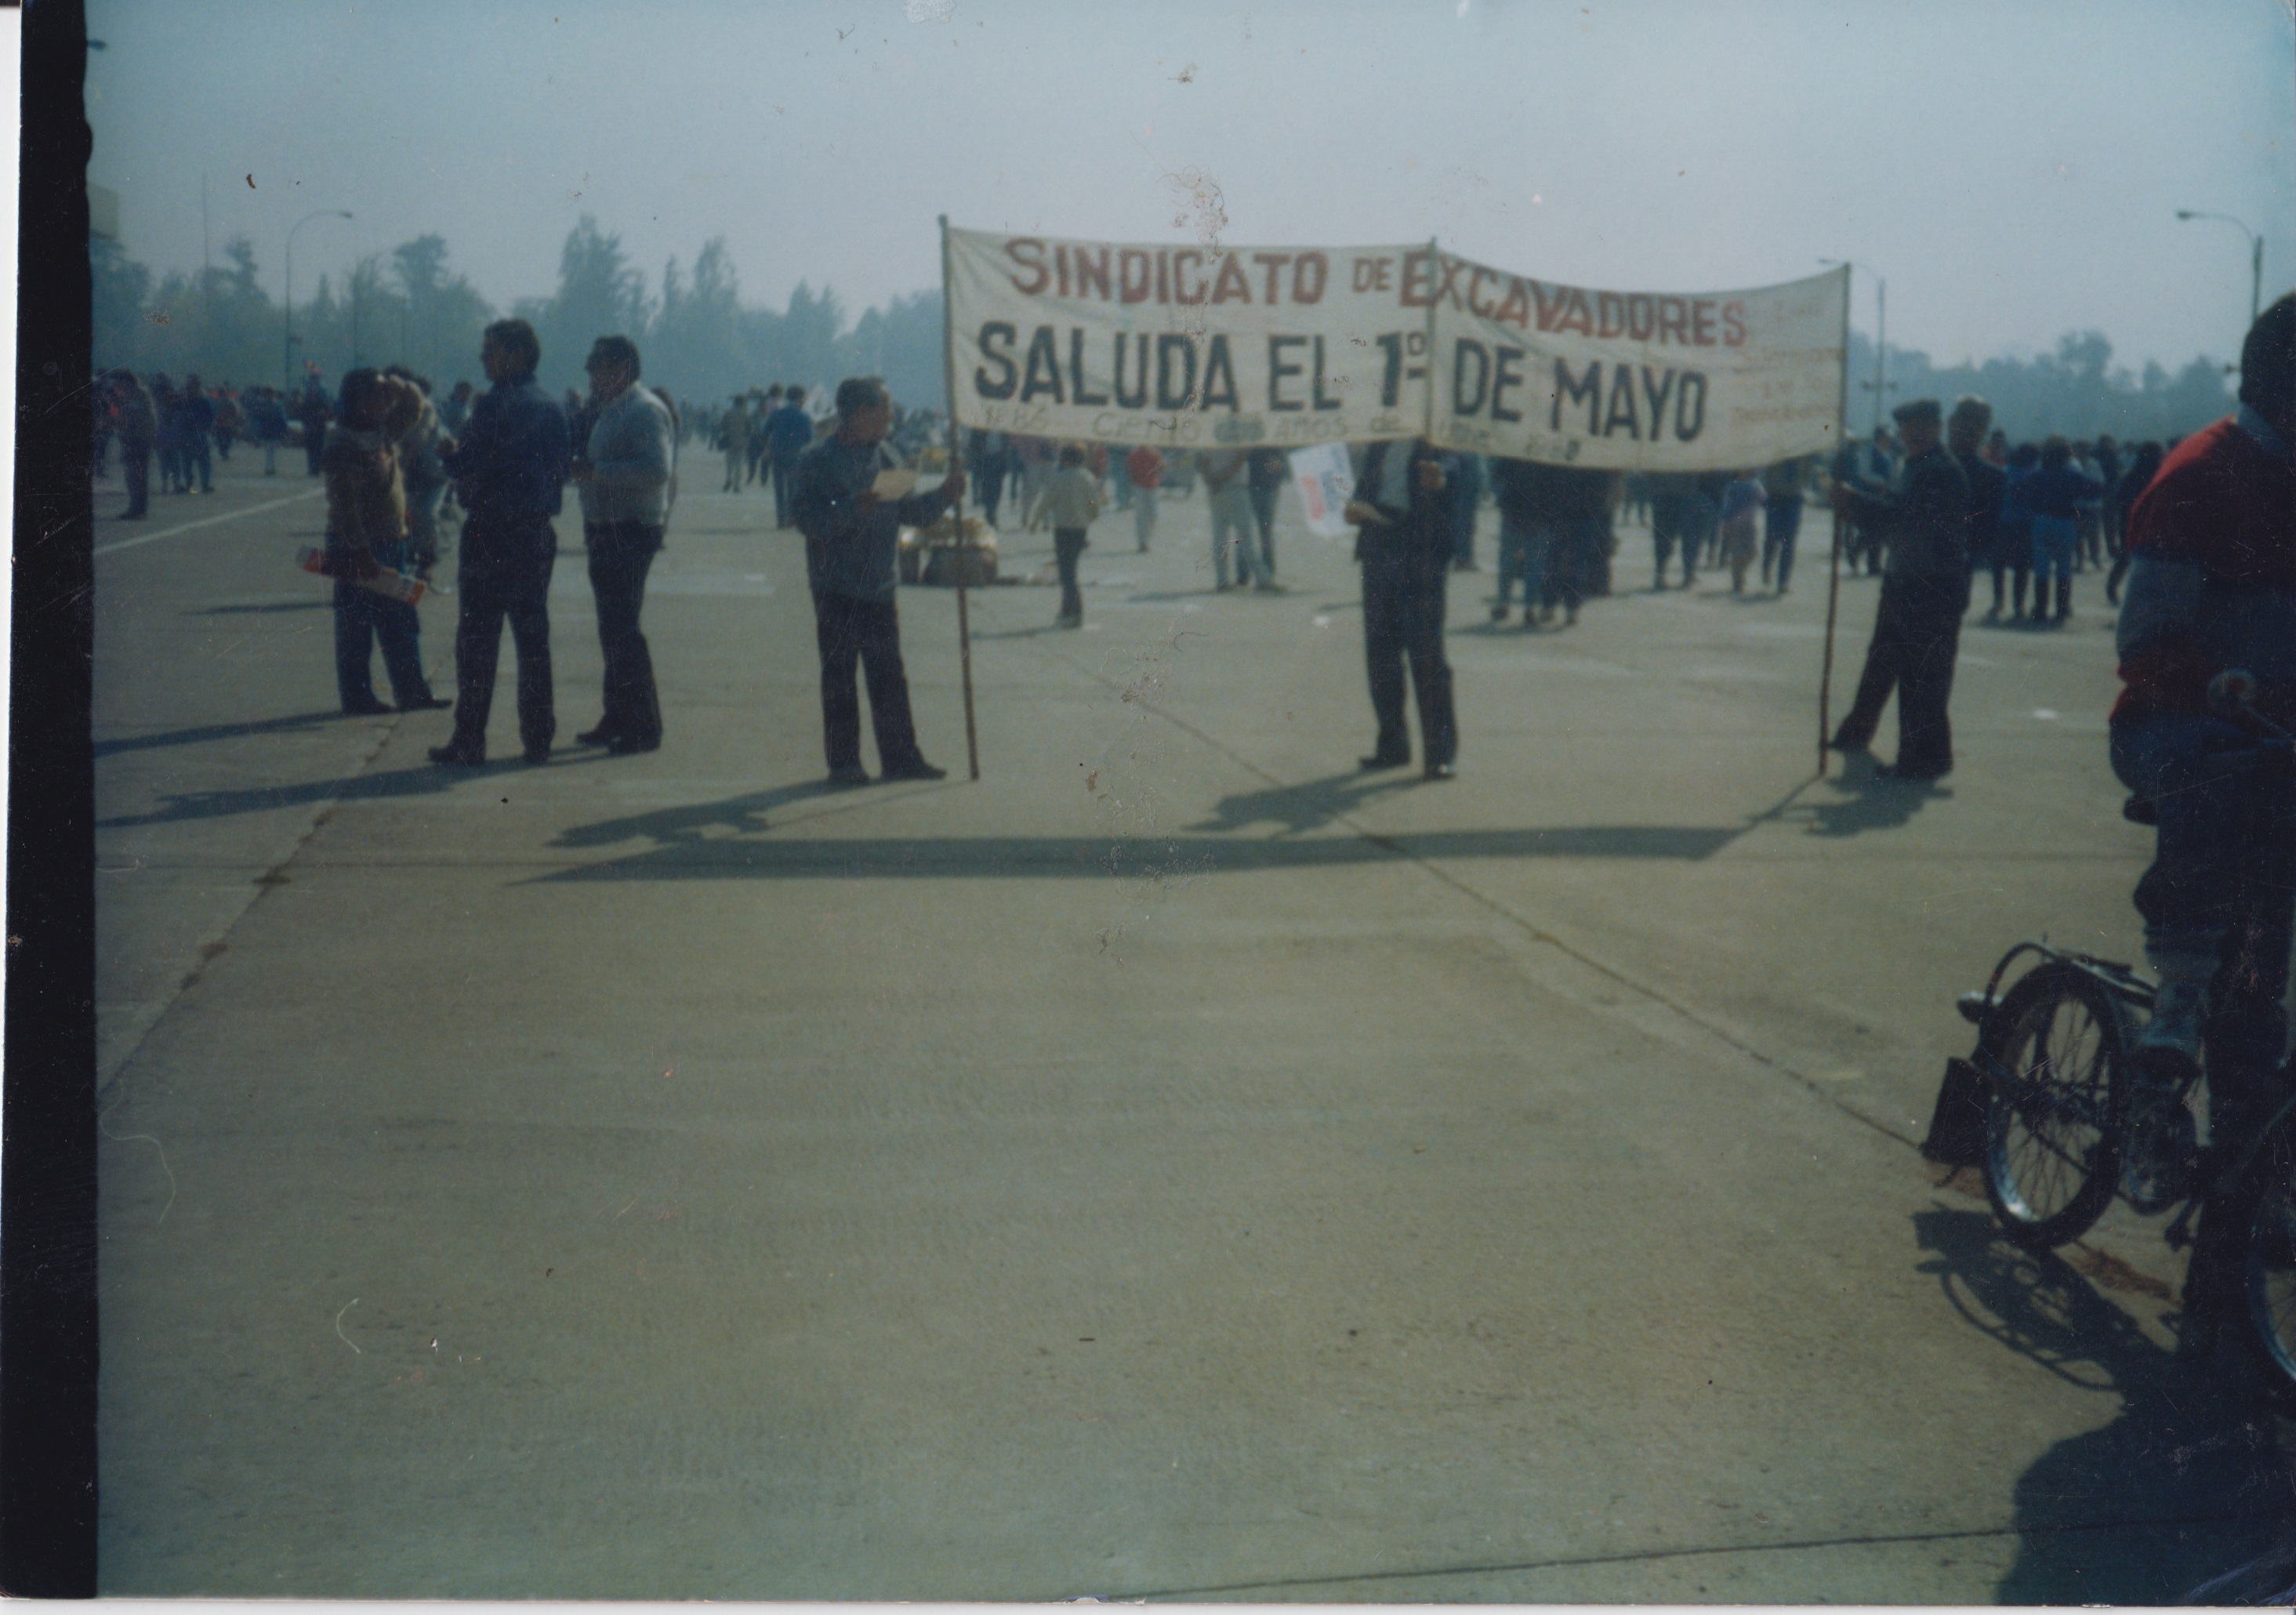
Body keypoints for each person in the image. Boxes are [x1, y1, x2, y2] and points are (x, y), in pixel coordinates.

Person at [2107, 293, 2296, 1330]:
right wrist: (2234, 695)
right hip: (2182, 727)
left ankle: (2254, 1175)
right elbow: (2147, 640)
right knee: (2219, 782)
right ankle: (2171, 1001)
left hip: (2284, 747)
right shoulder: (2201, 474)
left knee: (2262, 1003)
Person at [789, 376, 965, 786]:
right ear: (859, 414)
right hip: (835, 586)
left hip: (880, 585)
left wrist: (944, 495)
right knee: (839, 677)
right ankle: (845, 763)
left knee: (889, 677)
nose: (890, 418)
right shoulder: (816, 459)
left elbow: (912, 513)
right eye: (884, 411)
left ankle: (901, 759)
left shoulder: (889, 454)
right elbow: (807, 520)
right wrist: (851, 508)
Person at [430, 318, 571, 767]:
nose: (483, 358)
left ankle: (470, 738)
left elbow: (470, 463)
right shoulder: (552, 406)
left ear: (514, 355)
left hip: (491, 531)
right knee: (533, 639)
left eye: (490, 350)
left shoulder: (493, 405)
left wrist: (449, 455)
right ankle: (538, 737)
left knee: (477, 640)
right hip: (534, 531)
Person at [1826, 397, 1973, 781]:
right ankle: (1856, 733)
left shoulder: (1939, 472)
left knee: (1922, 676)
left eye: (1922, 426)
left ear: (1937, 427)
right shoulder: (1911, 466)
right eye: (1908, 428)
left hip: (1932, 585)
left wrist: (1854, 505)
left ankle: (1924, 759)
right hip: (1904, 580)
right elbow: (1893, 513)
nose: (1914, 434)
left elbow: (1904, 521)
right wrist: (1855, 507)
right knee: (1882, 661)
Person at [571, 334, 676, 755]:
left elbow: (656, 470)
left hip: (631, 528)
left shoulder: (646, 411)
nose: (592, 378)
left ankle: (644, 725)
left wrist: (598, 472)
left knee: (624, 629)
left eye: (598, 369)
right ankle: (617, 714)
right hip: (604, 525)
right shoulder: (610, 410)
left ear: (622, 370)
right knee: (611, 628)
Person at [323, 368, 448, 716]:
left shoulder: (379, 433)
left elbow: (414, 408)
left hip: (392, 544)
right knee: (356, 629)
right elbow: (346, 508)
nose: (386, 402)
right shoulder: (343, 443)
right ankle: (358, 698)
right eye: (377, 396)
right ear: (358, 401)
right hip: (358, 547)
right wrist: (361, 553)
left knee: (401, 623)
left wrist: (402, 386)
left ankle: (413, 693)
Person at [1347, 438, 1459, 778]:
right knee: (1381, 656)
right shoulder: (1378, 443)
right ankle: (1392, 745)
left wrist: (1442, 481)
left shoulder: (1439, 440)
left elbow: (1459, 472)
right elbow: (1364, 488)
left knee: (1427, 657)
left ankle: (1439, 754)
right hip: (1379, 547)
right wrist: (1356, 507)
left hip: (1420, 552)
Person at [2019, 437, 2102, 626]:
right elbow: (2095, 489)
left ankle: (2040, 609)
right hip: (2065, 522)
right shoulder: (2071, 475)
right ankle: (2062, 609)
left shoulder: (2037, 474)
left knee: (2042, 566)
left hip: (2041, 521)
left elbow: (2019, 489)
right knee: (2064, 566)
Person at [1945, 397, 2006, 626]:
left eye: (1976, 425)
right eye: (1965, 423)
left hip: (1955, 570)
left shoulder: (1993, 477)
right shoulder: (1923, 464)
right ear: (1951, 422)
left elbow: (1987, 530)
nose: (1968, 431)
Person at [1043, 442, 1101, 629]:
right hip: (1080, 529)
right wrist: (1092, 512)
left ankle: (1073, 612)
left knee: (1066, 573)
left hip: (1063, 529)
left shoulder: (1061, 478)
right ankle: (1068, 610)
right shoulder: (1088, 478)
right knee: (1070, 570)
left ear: (1065, 460)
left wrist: (1035, 519)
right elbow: (1093, 499)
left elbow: (1049, 499)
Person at [1197, 447, 1265, 591]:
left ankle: (1222, 581)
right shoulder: (1237, 436)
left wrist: (1212, 481)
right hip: (1235, 488)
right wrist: (1224, 478)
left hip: (1215, 489)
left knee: (1220, 537)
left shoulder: (1210, 435)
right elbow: (1241, 459)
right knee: (1246, 538)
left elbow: (1204, 462)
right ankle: (1262, 578)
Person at [1991, 441, 2040, 619]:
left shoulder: (2006, 471)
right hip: (2026, 524)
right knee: (2022, 566)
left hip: (2004, 522)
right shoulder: (2034, 474)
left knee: (1999, 564)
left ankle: (1998, 601)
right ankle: (2018, 605)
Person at [1760, 456, 1810, 594]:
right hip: (1776, 499)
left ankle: (1783, 582)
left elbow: (1806, 473)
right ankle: (1767, 566)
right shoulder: (1776, 454)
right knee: (1772, 539)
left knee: (1789, 543)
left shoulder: (1803, 456)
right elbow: (1765, 474)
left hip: (1794, 500)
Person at [767, 385, 814, 527]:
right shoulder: (804, 417)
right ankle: (790, 518)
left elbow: (765, 430)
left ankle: (781, 519)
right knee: (793, 488)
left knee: (779, 488)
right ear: (800, 399)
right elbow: (809, 438)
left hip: (777, 454)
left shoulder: (777, 414)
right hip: (795, 455)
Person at [113, 371, 156, 519]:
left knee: (135, 477)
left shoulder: (136, 396)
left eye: (119, 382)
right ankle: (138, 508)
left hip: (137, 441)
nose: (116, 385)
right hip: (135, 441)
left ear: (127, 382)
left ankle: (136, 508)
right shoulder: (132, 395)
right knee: (137, 477)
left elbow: (136, 420)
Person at [1717, 470, 1764, 593]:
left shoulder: (1755, 485)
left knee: (1752, 552)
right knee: (1737, 554)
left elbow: (1763, 499)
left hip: (1751, 524)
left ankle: (1741, 574)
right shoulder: (1732, 486)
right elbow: (1726, 505)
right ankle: (1737, 583)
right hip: (1735, 524)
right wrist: (1725, 523)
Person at [1247, 447, 1288, 584]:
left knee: (1261, 532)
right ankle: (1263, 571)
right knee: (1258, 532)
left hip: (1264, 487)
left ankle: (1264, 571)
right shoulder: (1272, 443)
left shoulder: (1272, 445)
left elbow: (1279, 465)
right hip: (1257, 486)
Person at [1125, 443, 1163, 552]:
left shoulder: (1155, 453)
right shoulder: (1134, 453)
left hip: (1153, 486)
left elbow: (1162, 467)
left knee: (1153, 514)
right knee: (1141, 515)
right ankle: (1142, 542)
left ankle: (1147, 539)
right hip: (1139, 486)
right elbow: (1128, 469)